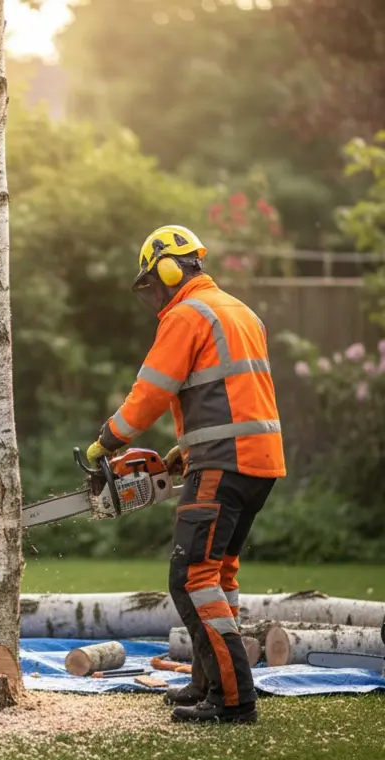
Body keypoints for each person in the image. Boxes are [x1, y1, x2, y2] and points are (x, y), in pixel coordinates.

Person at [84, 224, 286, 724]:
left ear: (171, 270)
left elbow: (151, 391)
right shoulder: (241, 311)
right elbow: (232, 396)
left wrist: (107, 440)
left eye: (154, 281)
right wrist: (185, 449)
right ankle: (207, 682)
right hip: (257, 462)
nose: (154, 293)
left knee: (192, 576)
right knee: (219, 574)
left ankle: (233, 699)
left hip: (224, 462)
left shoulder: (187, 314)